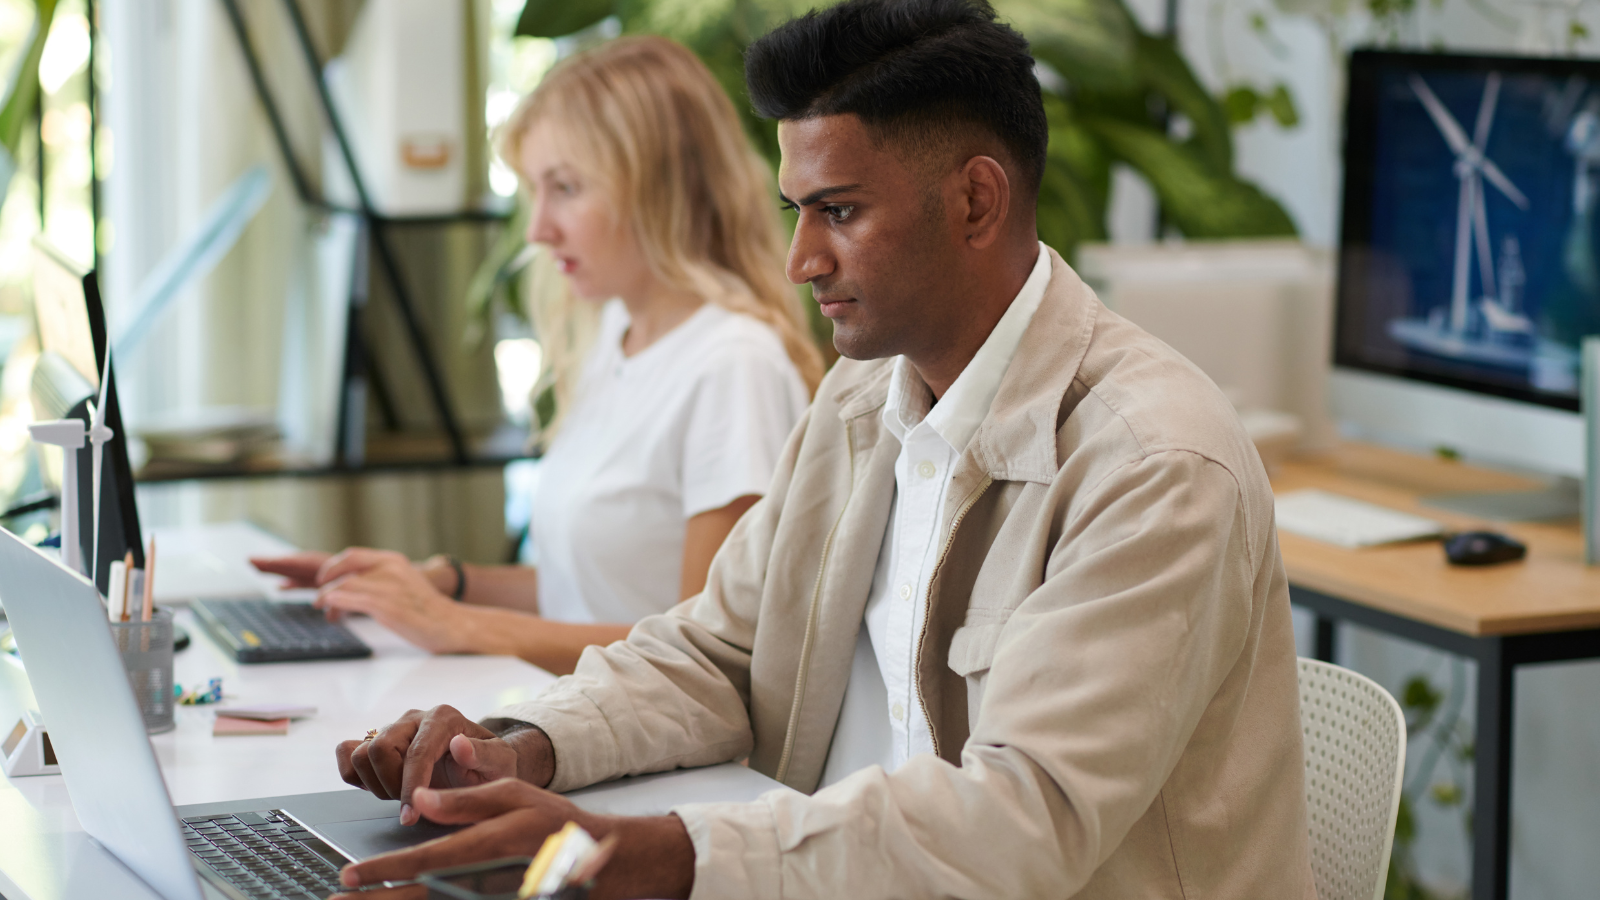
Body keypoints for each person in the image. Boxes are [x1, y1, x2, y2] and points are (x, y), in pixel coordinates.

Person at [328, 1, 1316, 897]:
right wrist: (522, 748)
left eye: (839, 212)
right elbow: (719, 653)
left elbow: (1022, 822)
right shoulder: (859, 400)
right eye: (795, 211)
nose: (801, 260)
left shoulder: (1151, 464)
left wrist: (668, 852)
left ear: (978, 202)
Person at [252, 36, 823, 676]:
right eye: (535, 191)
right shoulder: (619, 332)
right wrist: (439, 583)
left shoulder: (733, 366)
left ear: (662, 188)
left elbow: (707, 650)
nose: (538, 229)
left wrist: (458, 625)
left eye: (567, 188)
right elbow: (593, 584)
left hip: (667, 757)